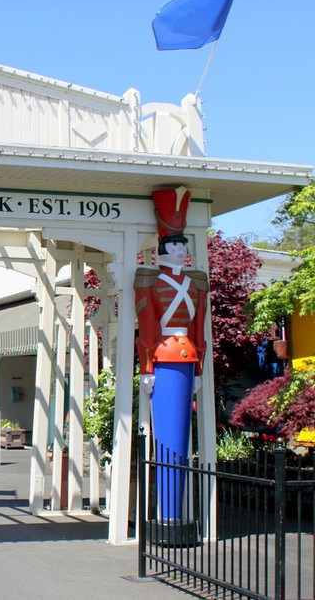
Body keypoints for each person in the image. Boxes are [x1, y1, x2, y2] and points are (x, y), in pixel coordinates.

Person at [134, 187, 208, 522]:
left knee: (178, 440)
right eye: (174, 245)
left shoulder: (196, 283)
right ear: (164, 248)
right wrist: (147, 366)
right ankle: (168, 514)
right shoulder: (149, 281)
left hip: (186, 357)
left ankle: (174, 514)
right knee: (167, 440)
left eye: (182, 246)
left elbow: (199, 329)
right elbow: (147, 326)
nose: (179, 251)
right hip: (163, 356)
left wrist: (201, 369)